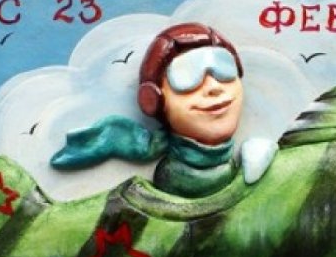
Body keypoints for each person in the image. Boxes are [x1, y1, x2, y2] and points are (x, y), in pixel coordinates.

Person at [51, 22, 264, 198]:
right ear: (154, 100)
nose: (214, 88)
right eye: (188, 78)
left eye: (225, 70)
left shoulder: (248, 157)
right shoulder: (171, 174)